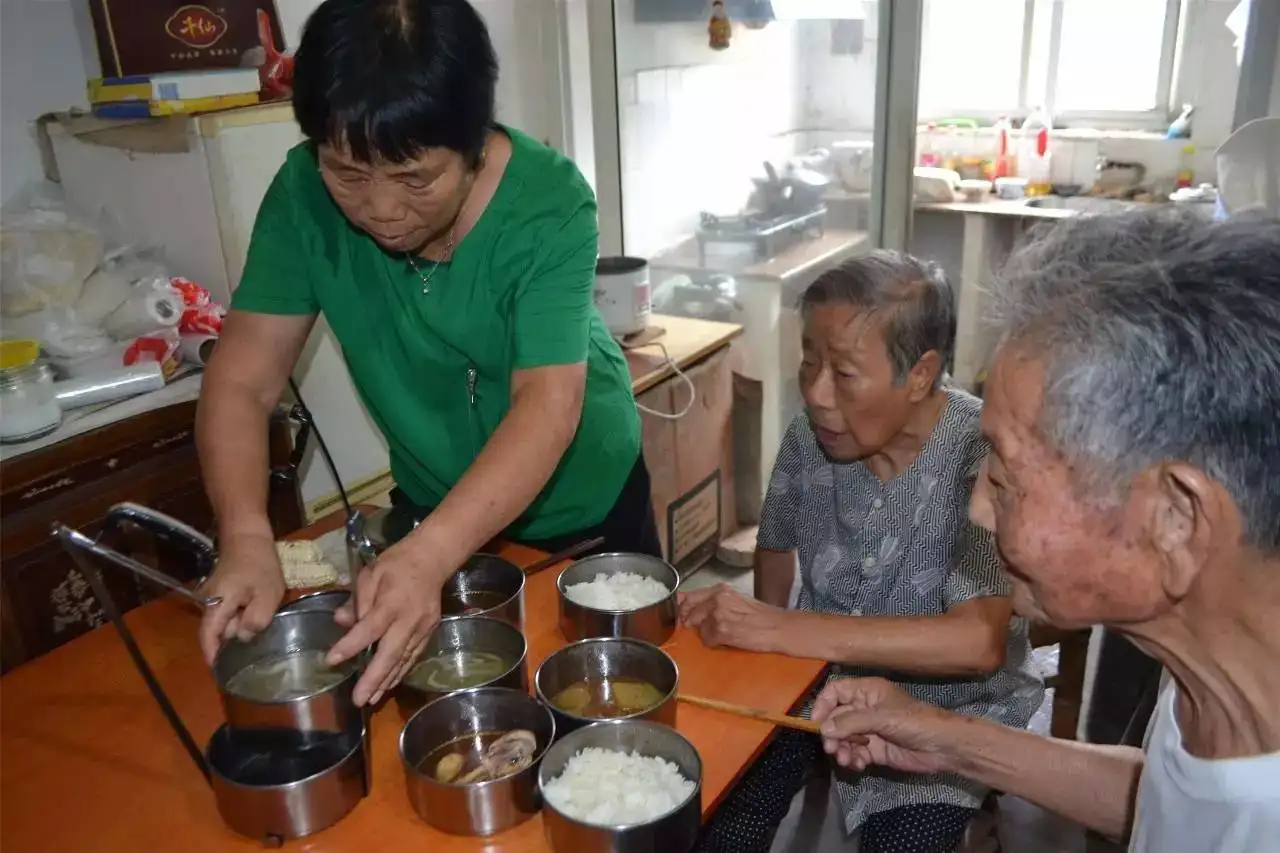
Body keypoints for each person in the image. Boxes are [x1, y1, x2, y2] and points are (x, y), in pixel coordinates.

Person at [194, 0, 659, 706]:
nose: (381, 209)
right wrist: (246, 532)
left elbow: (548, 403)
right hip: (433, 506)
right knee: (456, 710)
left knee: (604, 708)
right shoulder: (300, 197)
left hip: (584, 499)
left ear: (474, 143)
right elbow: (243, 383)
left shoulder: (548, 203)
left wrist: (434, 554)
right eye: (347, 173)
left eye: (416, 179)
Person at [814, 210, 1280, 853]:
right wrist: (950, 737)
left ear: (1176, 520)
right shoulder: (1222, 663)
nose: (978, 507)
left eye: (1005, 471)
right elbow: (1172, 799)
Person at [680, 251, 1043, 853]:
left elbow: (979, 643)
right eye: (808, 361)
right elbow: (775, 542)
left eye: (844, 373)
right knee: (720, 822)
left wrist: (783, 630)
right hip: (818, 678)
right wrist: (763, 651)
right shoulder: (809, 435)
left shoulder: (981, 456)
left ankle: (974, 820)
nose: (818, 394)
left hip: (949, 715)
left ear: (921, 374)